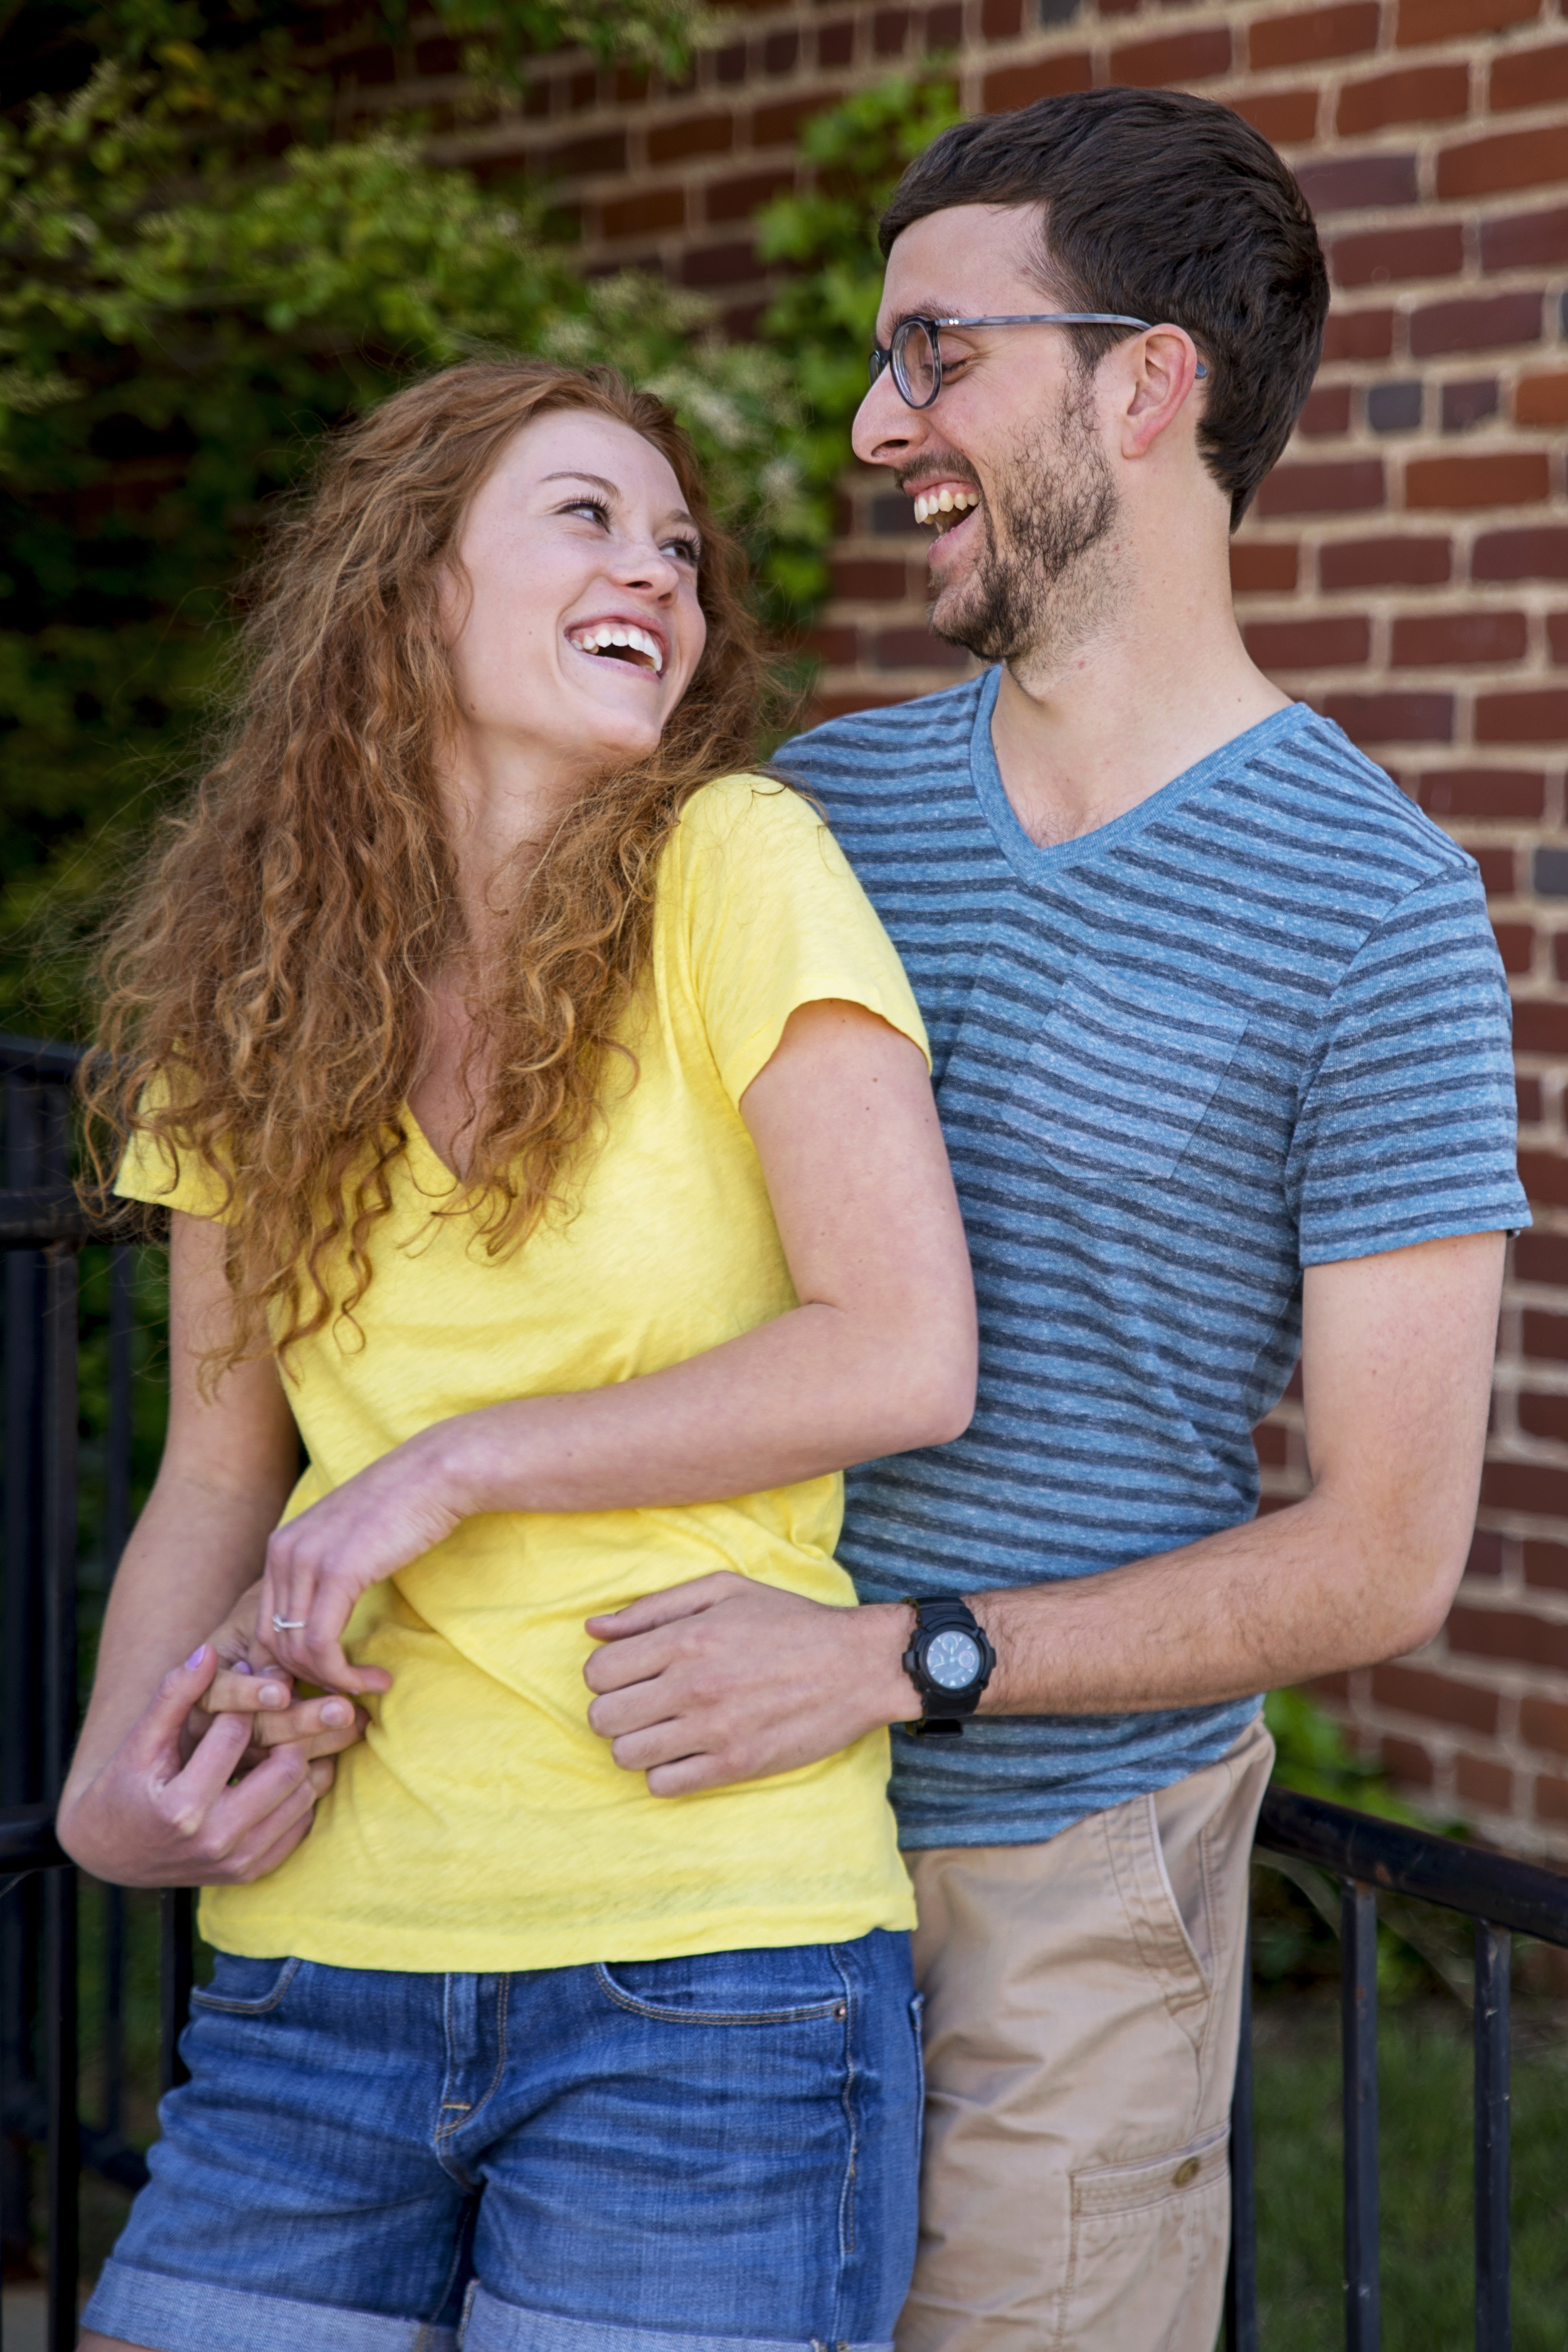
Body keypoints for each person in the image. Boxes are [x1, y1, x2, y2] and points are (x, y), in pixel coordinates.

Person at [573, 88, 1530, 2352]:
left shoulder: (1377, 910)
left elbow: (1384, 1551)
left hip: (1068, 1879)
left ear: (1144, 381)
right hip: (695, 1836)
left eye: (935, 355)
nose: (869, 418)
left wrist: (899, 1661)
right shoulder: (809, 813)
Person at [58, 358, 978, 2352]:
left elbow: (903, 1350)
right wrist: (109, 1795)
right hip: (317, 1957)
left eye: (677, 546)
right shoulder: (248, 987)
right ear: (410, 588)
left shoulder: (733, 864)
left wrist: (448, 1464)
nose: (654, 566)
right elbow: (218, 1469)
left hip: (705, 1958)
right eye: (585, 515)